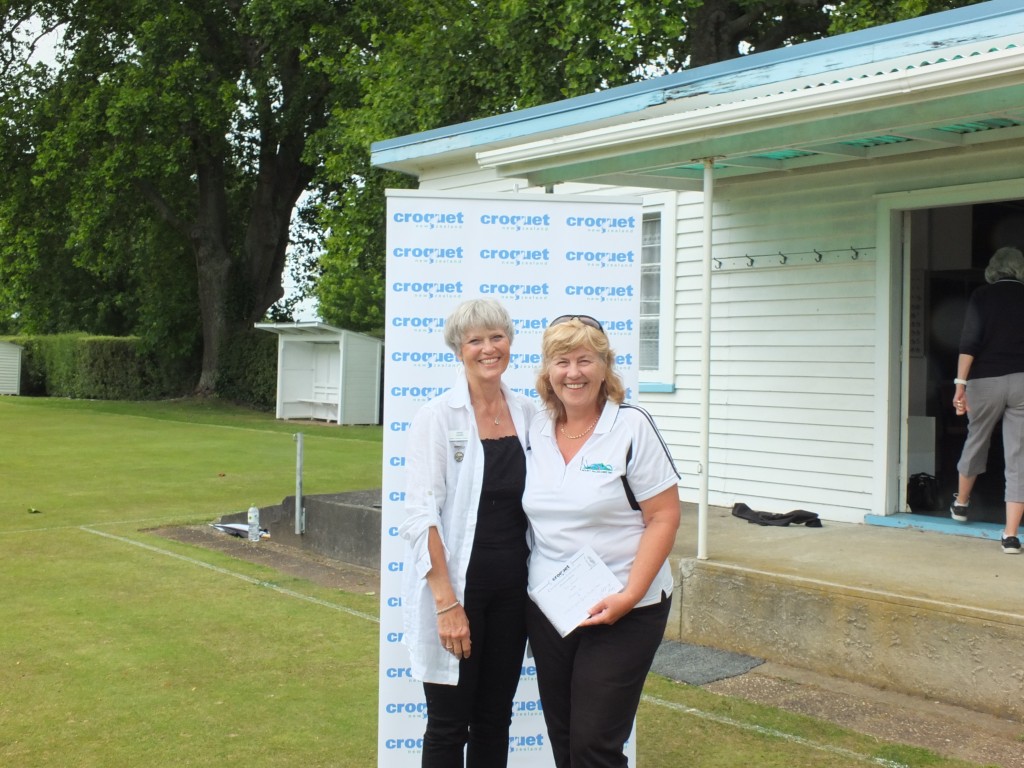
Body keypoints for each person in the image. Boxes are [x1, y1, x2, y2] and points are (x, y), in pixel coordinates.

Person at [523, 314, 681, 767]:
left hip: (626, 605)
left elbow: (665, 517)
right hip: (553, 606)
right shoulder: (535, 428)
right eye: (562, 361)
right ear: (547, 372)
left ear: (605, 367)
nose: (574, 372)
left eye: (585, 360)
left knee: (595, 743)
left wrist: (629, 595)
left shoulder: (631, 427)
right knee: (565, 736)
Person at [398, 299, 537, 767]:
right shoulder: (436, 417)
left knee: (496, 719)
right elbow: (421, 516)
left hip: (515, 592)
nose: (488, 348)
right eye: (475, 340)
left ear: (510, 343)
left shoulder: (530, 414)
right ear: (459, 350)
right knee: (448, 725)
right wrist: (447, 604)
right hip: (459, 591)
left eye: (496, 337)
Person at [949, 246, 1024, 554]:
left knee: (977, 438)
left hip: (985, 381)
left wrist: (960, 385)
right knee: (1018, 455)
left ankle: (962, 503)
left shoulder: (982, 296)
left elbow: (969, 341)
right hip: (1022, 380)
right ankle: (1010, 536)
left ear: (994, 269)